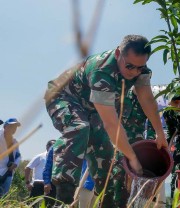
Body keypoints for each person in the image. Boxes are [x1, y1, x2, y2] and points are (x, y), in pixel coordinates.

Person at [44, 34, 168, 206]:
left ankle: (108, 201)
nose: (134, 73)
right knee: (79, 128)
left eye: (140, 68)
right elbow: (111, 124)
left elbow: (146, 99)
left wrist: (160, 133)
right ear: (118, 53)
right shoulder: (101, 71)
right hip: (63, 97)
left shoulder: (141, 71)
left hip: (92, 108)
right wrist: (132, 157)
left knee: (106, 156)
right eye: (130, 66)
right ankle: (61, 198)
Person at [24, 139, 55, 205]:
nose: (53, 147)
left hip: (51, 185)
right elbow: (27, 168)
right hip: (38, 184)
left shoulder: (57, 158)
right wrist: (27, 183)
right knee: (33, 204)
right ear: (47, 146)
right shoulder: (40, 157)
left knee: (49, 205)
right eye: (51, 145)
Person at [0, 118, 21, 197]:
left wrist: (15, 164)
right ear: (5, 126)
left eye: (15, 127)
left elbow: (18, 156)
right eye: (11, 126)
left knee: (4, 197)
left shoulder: (15, 142)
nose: (14, 129)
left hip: (8, 173)